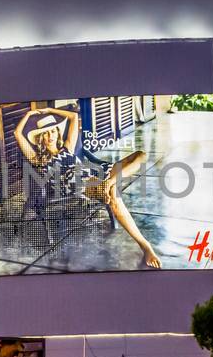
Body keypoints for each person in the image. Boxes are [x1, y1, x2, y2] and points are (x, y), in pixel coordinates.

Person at [13, 106, 162, 268]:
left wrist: (49, 110)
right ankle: (145, 246)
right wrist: (29, 114)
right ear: (40, 138)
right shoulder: (38, 159)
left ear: (57, 133)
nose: (50, 136)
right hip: (71, 181)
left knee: (140, 155)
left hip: (91, 173)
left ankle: (109, 183)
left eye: (53, 131)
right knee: (113, 197)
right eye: (45, 133)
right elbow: (17, 134)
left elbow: (73, 117)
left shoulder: (67, 147)